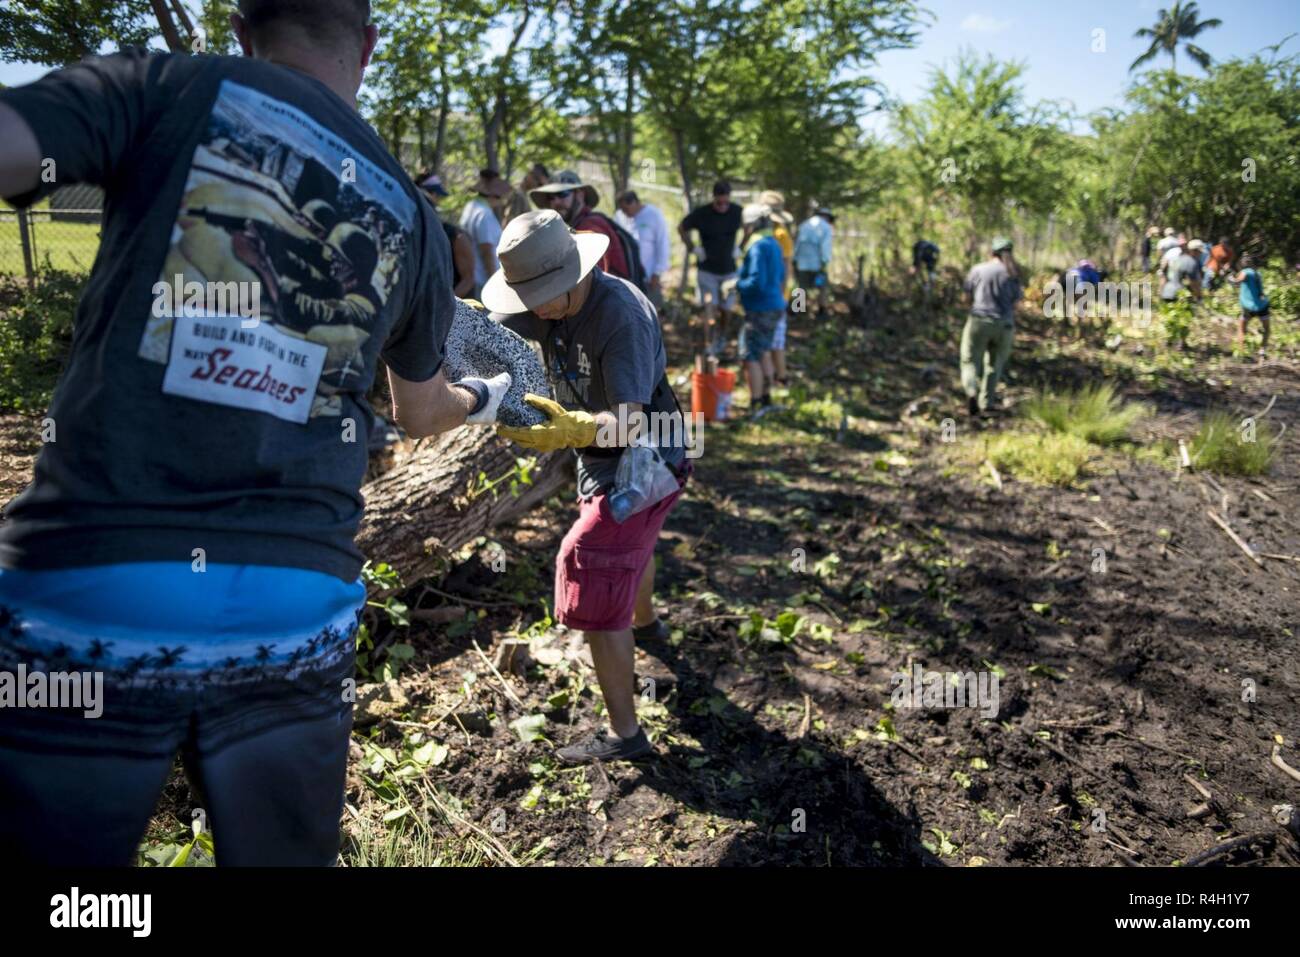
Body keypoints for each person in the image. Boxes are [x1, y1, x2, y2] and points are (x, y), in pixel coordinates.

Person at [0, 0, 512, 866]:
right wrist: (486, 397)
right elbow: (422, 414)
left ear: (242, 28)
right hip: (294, 612)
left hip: (93, 591)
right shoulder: (412, 213)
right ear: (368, 44)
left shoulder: (169, 87)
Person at [482, 211, 689, 765]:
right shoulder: (542, 302)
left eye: (548, 296)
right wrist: (465, 324)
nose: (538, 309)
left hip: (648, 458)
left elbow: (631, 422)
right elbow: (493, 330)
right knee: (632, 550)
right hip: (599, 460)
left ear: (578, 274)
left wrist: (572, 428)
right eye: (529, 297)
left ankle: (627, 736)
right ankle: (647, 625)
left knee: (592, 563)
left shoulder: (621, 318)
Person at [529, 169, 631, 281]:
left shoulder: (590, 229)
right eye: (551, 197)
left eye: (562, 194)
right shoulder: (578, 226)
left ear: (580, 195)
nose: (556, 202)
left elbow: (590, 281)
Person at [679, 180, 743, 356]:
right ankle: (709, 344)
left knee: (727, 308)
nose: (723, 205)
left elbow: (750, 227)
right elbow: (681, 227)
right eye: (719, 202)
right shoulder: (702, 214)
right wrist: (693, 248)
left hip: (729, 271)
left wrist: (741, 246)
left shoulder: (737, 212)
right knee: (709, 306)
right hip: (707, 270)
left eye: (725, 202)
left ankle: (722, 335)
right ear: (714, 198)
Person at [961, 236, 1022, 416]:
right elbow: (1017, 304)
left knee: (970, 361)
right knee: (995, 365)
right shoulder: (1012, 274)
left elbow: (965, 298)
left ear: (991, 252)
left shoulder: (978, 269)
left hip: (979, 320)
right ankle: (987, 402)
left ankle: (971, 391)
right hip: (1004, 325)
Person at [736, 204, 787, 418]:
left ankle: (756, 402)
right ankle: (766, 397)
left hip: (760, 307)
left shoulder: (757, 247)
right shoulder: (774, 243)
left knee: (750, 354)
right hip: (775, 304)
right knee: (764, 350)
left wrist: (737, 285)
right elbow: (782, 274)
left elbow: (757, 281)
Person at [417, 171, 475, 298]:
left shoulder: (455, 236)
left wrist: (446, 308)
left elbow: (468, 279)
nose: (437, 200)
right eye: (436, 195)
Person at [759, 190, 795, 384]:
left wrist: (781, 296)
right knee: (770, 341)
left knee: (775, 341)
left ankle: (780, 377)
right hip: (769, 294)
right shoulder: (764, 232)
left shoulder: (780, 235)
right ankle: (774, 377)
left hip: (776, 296)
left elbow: (787, 268)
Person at [616, 189, 670, 311]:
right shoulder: (620, 216)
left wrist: (657, 272)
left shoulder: (653, 215)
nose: (624, 213)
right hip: (629, 276)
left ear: (634, 202)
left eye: (626, 209)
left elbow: (663, 244)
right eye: (622, 210)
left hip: (649, 275)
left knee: (652, 310)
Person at [459, 168, 510, 298]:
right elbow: (487, 251)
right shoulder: (484, 214)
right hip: (483, 280)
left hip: (472, 277)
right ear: (494, 194)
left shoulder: (470, 207)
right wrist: (494, 283)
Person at [793, 206, 835, 317]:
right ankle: (821, 310)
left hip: (802, 262)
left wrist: (795, 259)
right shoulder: (826, 227)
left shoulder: (804, 225)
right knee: (822, 287)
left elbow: (797, 244)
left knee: (801, 286)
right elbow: (825, 247)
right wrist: (825, 261)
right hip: (817, 263)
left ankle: (798, 310)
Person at [1228, 254, 1270, 354]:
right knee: (1267, 329)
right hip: (1262, 305)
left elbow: (1237, 282)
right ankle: (1262, 350)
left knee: (1241, 328)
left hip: (1249, 307)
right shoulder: (1257, 273)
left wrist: (1230, 278)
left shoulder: (1245, 272)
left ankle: (1242, 352)